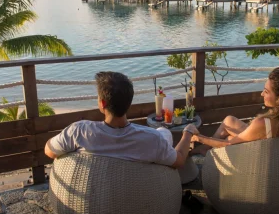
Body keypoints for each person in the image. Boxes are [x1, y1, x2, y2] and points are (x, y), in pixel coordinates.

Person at [44, 71, 196, 168]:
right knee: (164, 132)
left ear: (102, 103)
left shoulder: (80, 131)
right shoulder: (151, 139)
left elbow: (49, 151)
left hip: (92, 200)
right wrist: (188, 133)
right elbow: (180, 161)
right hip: (135, 200)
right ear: (129, 102)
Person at [189, 67, 279, 157]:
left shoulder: (263, 123)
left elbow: (228, 145)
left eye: (266, 92)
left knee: (229, 138)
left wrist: (199, 138)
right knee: (229, 120)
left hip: (253, 158)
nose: (262, 94)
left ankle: (201, 149)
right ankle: (204, 148)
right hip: (267, 147)